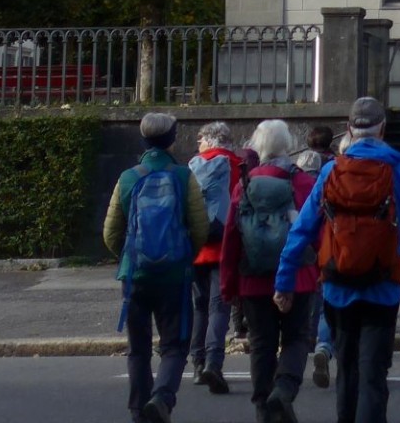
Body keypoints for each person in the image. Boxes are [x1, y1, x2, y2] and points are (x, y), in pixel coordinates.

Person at [273, 97, 400, 423]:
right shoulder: (398, 171)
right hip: (383, 285)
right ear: (382, 128)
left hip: (338, 284)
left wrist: (284, 282)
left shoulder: (331, 172)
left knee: (347, 369)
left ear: (349, 129)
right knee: (373, 375)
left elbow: (302, 230)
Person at [104, 111, 208, 423]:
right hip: (174, 274)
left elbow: (110, 231)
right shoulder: (183, 176)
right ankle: (162, 397)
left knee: (138, 347)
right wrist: (186, 255)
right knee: (174, 345)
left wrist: (127, 256)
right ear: (173, 138)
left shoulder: (128, 177)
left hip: (135, 274)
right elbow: (200, 226)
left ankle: (138, 408)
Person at [220, 118, 319, 423]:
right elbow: (315, 231)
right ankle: (284, 390)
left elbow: (231, 237)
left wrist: (228, 285)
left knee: (261, 343)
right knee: (296, 338)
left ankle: (264, 406)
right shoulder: (302, 182)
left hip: (253, 279)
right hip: (297, 278)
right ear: (287, 146)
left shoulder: (244, 185)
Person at [189, 120, 241, 395]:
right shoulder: (237, 165)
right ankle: (213, 362)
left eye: (200, 139)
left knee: (198, 307)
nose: (198, 144)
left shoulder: (193, 166)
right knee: (219, 308)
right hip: (225, 247)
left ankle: (197, 364)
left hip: (197, 247)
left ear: (209, 140)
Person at [299, 126, 337, 390]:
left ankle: (308, 341)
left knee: (309, 297)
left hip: (307, 244)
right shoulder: (336, 169)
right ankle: (323, 345)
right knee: (325, 302)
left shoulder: (300, 173)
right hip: (330, 244)